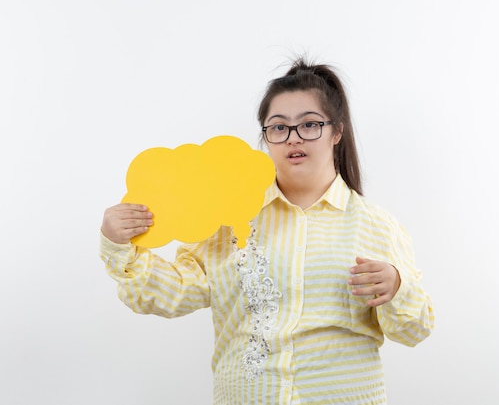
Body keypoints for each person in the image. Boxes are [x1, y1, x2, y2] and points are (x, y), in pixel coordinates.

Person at [100, 57, 435, 404]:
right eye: (278, 127)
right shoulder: (230, 216)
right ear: (265, 136)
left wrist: (396, 286)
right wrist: (118, 246)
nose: (293, 138)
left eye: (309, 125)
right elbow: (175, 293)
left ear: (337, 131)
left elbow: (415, 330)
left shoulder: (377, 226)